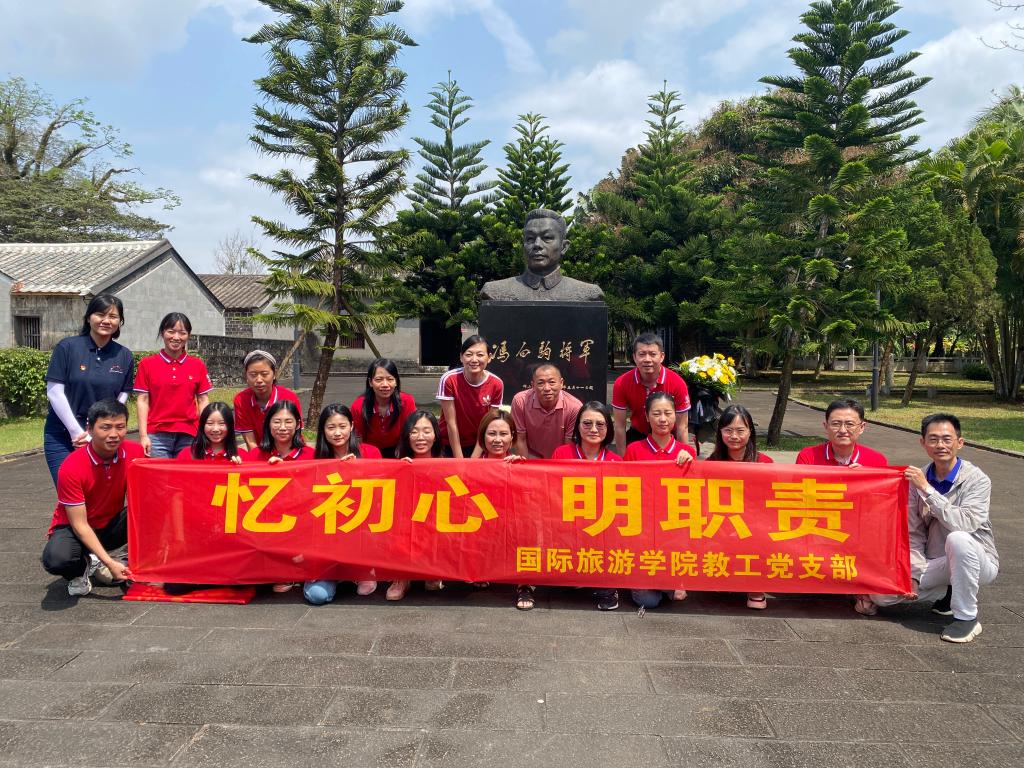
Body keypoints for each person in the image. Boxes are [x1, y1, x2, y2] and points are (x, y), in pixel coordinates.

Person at [864, 414, 998, 643]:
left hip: (978, 560)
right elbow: (913, 533)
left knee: (958, 539)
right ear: (923, 443)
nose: (940, 445)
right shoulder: (917, 480)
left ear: (960, 442)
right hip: (938, 562)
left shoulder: (977, 480)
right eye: (933, 439)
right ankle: (947, 591)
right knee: (881, 596)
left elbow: (965, 524)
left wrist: (928, 490)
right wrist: (913, 575)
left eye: (947, 439)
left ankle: (966, 618)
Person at [41, 399, 143, 596]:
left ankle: (133, 563)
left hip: (110, 525)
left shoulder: (135, 452)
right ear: (89, 429)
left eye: (120, 427)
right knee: (56, 559)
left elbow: (145, 499)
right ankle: (84, 566)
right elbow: (80, 525)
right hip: (74, 528)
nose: (114, 434)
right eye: (105, 427)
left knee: (153, 508)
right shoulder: (71, 467)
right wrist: (109, 563)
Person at [43, 294, 134, 486]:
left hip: (102, 436)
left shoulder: (124, 355)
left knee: (96, 492)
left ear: (120, 322)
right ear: (88, 317)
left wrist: (96, 433)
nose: (106, 320)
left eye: (113, 316)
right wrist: (76, 432)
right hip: (63, 434)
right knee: (68, 489)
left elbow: (122, 396)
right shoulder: (67, 347)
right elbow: (54, 392)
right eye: (100, 314)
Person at [303, 404, 382, 606]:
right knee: (317, 595)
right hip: (324, 540)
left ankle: (360, 569)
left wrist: (356, 471)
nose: (337, 433)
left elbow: (382, 492)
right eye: (331, 427)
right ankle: (334, 574)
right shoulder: (312, 458)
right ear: (323, 430)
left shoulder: (370, 452)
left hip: (360, 533)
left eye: (342, 426)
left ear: (352, 426)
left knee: (365, 590)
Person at [623, 391, 694, 611]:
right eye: (656, 414)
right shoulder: (634, 450)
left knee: (677, 595)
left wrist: (690, 464)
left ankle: (670, 581)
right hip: (642, 531)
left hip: (673, 533)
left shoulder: (687, 452)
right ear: (646, 416)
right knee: (648, 601)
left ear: (676, 416)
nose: (663, 419)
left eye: (668, 413)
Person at [549, 402, 622, 611]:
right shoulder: (562, 454)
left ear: (608, 428)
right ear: (578, 426)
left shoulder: (616, 461)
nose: (593, 429)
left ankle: (606, 584)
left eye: (600, 424)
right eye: (587, 423)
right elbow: (550, 491)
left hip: (602, 529)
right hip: (567, 525)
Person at [706, 404, 772, 610]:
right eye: (728, 430)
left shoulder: (765, 463)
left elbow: (771, 505)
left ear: (750, 431)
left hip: (755, 525)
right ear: (720, 432)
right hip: (721, 523)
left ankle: (755, 588)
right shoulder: (710, 463)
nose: (734, 436)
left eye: (740, 430)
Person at [480, 208, 604, 301]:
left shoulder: (588, 294)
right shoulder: (494, 291)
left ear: (564, 247)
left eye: (547, 237)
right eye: (530, 238)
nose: (537, 244)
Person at [135, 312, 213, 458]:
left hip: (190, 434)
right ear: (162, 333)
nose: (176, 337)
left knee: (186, 472)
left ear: (188, 336)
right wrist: (143, 436)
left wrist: (204, 433)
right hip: (157, 435)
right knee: (159, 473)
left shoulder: (197, 365)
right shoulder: (147, 364)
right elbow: (142, 401)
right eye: (171, 331)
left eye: (182, 333)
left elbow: (203, 400)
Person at [387, 410, 445, 601]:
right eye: (414, 431)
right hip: (406, 522)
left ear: (435, 435)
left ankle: (432, 570)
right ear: (407, 436)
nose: (420, 437)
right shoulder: (399, 465)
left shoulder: (447, 465)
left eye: (426, 431)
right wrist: (399, 472)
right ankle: (401, 577)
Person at [612, 332, 690, 456]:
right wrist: (622, 460)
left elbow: (682, 427)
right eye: (642, 354)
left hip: (668, 435)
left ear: (662, 356)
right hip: (638, 434)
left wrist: (684, 454)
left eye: (653, 354)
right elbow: (619, 426)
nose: (647, 359)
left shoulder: (677, 383)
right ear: (634, 357)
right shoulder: (621, 383)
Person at [436, 335, 503, 458]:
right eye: (469, 354)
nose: (474, 359)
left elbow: (488, 424)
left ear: (489, 357)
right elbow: (451, 423)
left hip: (479, 443)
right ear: (461, 357)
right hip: (448, 443)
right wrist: (460, 460)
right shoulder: (449, 379)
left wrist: (473, 460)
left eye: (480, 355)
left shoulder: (496, 384)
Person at [233, 350, 302, 451]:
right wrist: (263, 459)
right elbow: (250, 442)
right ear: (246, 376)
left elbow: (296, 435)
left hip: (289, 452)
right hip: (259, 454)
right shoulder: (241, 400)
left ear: (274, 374)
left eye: (264, 374)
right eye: (253, 375)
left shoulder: (289, 397)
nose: (259, 380)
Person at [510, 363, 582, 459]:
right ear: (533, 385)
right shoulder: (520, 401)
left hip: (559, 458)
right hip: (531, 457)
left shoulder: (574, 407)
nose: (547, 388)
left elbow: (568, 447)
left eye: (552, 382)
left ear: (561, 383)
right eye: (541, 383)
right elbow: (520, 439)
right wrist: (526, 465)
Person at [351, 358, 416, 458]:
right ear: (370, 382)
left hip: (400, 451)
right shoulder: (358, 405)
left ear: (396, 381)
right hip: (369, 453)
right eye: (379, 380)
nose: (385, 384)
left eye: (390, 379)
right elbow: (357, 439)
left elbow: (410, 432)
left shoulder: (407, 401)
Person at [795, 398, 888, 467]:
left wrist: (864, 476)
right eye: (836, 424)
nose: (842, 430)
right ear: (826, 426)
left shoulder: (877, 461)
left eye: (849, 424)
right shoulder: (808, 457)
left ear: (861, 427)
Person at [242, 400, 314, 464]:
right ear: (268, 424)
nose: (282, 428)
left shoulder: (312, 456)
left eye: (288, 422)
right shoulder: (255, 455)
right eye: (277, 422)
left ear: (298, 425)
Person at [176, 402, 242, 463]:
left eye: (222, 423)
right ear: (202, 425)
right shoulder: (186, 454)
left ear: (230, 426)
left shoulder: (242, 456)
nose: (215, 429)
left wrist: (238, 468)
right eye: (210, 423)